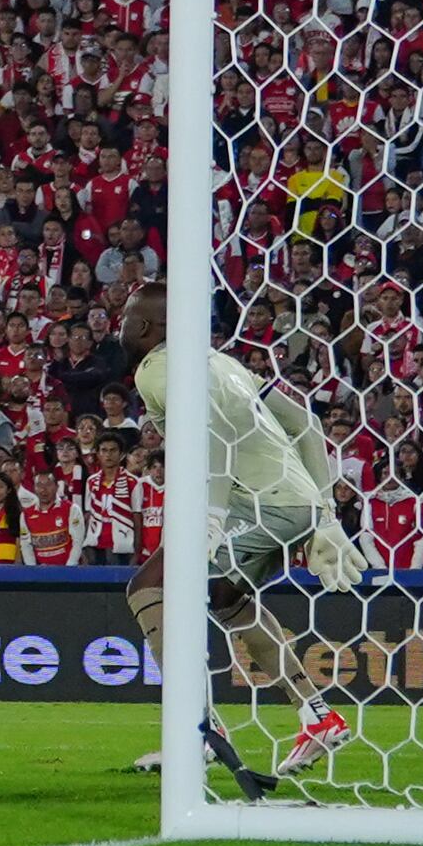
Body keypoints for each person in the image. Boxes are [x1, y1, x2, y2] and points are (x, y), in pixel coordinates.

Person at [78, 283, 365, 799]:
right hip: (291, 502)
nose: (119, 328)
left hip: (253, 503)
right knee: (226, 598)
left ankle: (196, 731)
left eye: (124, 319)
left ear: (143, 327)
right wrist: (323, 515)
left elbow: (207, 429)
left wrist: (210, 518)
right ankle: (317, 715)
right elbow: (305, 422)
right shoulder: (225, 364)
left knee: (149, 588)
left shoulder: (157, 368)